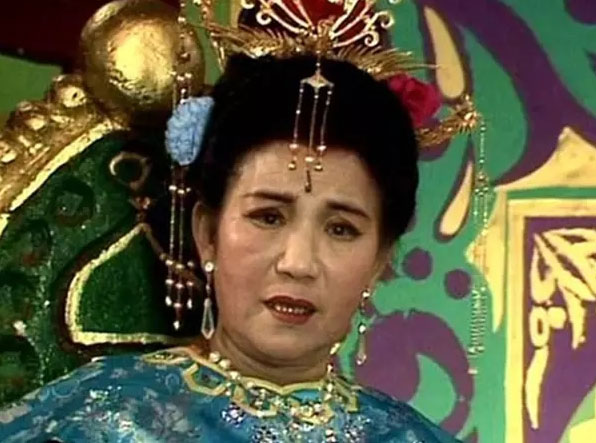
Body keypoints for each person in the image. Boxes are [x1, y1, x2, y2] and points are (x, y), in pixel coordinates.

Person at [0, 0, 467, 439]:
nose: (298, 263)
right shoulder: (99, 421)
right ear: (207, 233)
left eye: (341, 229)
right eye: (268, 217)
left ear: (380, 259)